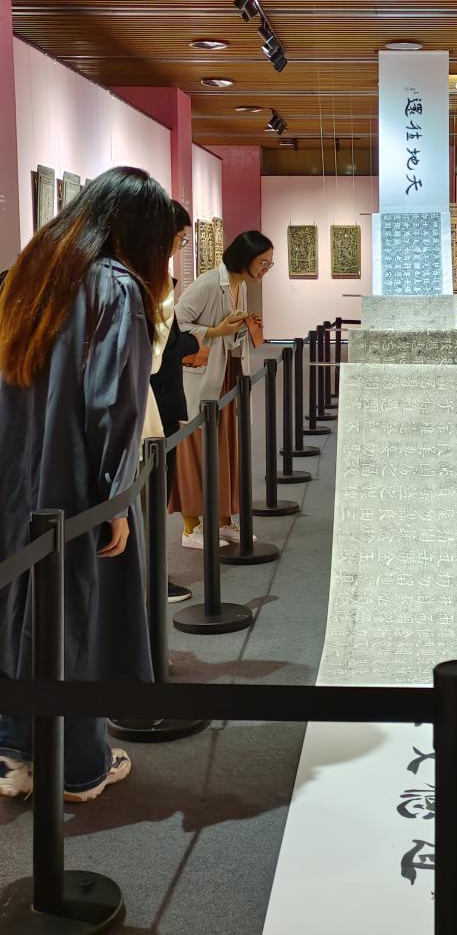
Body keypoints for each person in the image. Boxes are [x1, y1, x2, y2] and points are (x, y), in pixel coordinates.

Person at [0, 166, 175, 801]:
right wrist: (115, 500)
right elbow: (112, 404)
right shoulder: (115, 286)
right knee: (79, 614)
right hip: (73, 481)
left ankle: (15, 753)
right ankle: (79, 766)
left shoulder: (31, 274)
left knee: (19, 604)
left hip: (15, 472)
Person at [169, 230, 273, 547]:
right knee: (194, 450)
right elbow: (176, 326)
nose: (266, 269)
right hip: (200, 379)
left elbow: (228, 333)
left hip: (225, 377)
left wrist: (244, 327)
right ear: (245, 259)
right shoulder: (207, 284)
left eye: (269, 263)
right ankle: (191, 528)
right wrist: (217, 330)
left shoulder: (240, 285)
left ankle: (222, 520)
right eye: (263, 262)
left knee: (224, 450)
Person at [148, 201, 199, 600]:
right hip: (148, 404)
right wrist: (195, 343)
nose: (180, 246)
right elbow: (154, 353)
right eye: (180, 238)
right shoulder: (144, 282)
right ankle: (147, 580)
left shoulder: (152, 279)